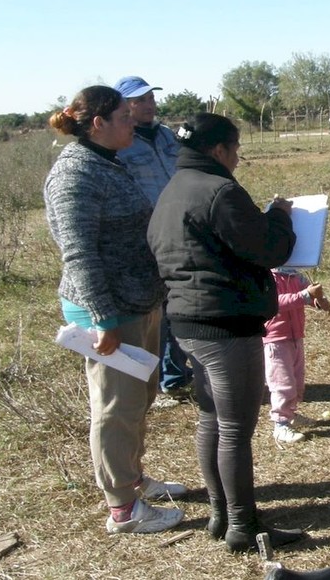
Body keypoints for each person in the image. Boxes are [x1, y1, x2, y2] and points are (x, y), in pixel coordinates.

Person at [146, 112, 303, 553]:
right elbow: (269, 248)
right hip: (226, 325)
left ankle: (221, 514)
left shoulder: (173, 189)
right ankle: (243, 525)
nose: (237, 158)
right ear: (218, 150)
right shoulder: (220, 191)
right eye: (235, 150)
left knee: (212, 418)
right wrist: (280, 216)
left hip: (187, 321)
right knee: (235, 428)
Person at [43, 85, 185, 534]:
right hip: (109, 312)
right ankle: (123, 508)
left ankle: (133, 476)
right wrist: (103, 319)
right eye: (125, 116)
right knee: (116, 407)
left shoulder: (108, 161)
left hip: (138, 301)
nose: (134, 124)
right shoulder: (76, 175)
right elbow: (78, 254)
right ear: (98, 123)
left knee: (139, 398)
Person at [113, 75, 194, 400]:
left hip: (179, 228)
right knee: (155, 310)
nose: (148, 105)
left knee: (179, 303)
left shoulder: (167, 136)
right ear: (125, 106)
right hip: (146, 234)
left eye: (150, 98)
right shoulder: (121, 144)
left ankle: (175, 374)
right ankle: (157, 377)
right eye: (139, 100)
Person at [264, 268, 330, 444]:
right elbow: (274, 302)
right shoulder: (266, 275)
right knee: (282, 384)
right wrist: (305, 295)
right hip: (275, 340)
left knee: (297, 381)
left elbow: (309, 295)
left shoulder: (294, 276)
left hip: (296, 337)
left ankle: (290, 414)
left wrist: (318, 301)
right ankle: (280, 424)